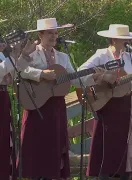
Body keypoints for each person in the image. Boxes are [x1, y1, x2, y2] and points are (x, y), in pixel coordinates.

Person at [78, 24, 132, 180]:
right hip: (106, 104)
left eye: (127, 39)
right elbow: (82, 72)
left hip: (125, 105)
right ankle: (103, 174)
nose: (127, 42)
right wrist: (101, 77)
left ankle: (123, 174)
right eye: (124, 39)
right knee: (106, 143)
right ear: (114, 39)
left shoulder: (131, 57)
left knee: (124, 143)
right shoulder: (101, 55)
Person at [17, 18, 76, 180]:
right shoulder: (31, 54)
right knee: (35, 143)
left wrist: (95, 76)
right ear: (40, 34)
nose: (54, 36)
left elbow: (75, 77)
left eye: (56, 33)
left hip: (56, 106)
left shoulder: (63, 56)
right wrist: (41, 74)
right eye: (50, 33)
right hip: (36, 104)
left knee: (54, 145)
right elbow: (20, 70)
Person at [0, 37, 36, 180]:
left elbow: (12, 74)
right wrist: (14, 56)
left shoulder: (2, 55)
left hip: (2, 97)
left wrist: (23, 55)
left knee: (4, 140)